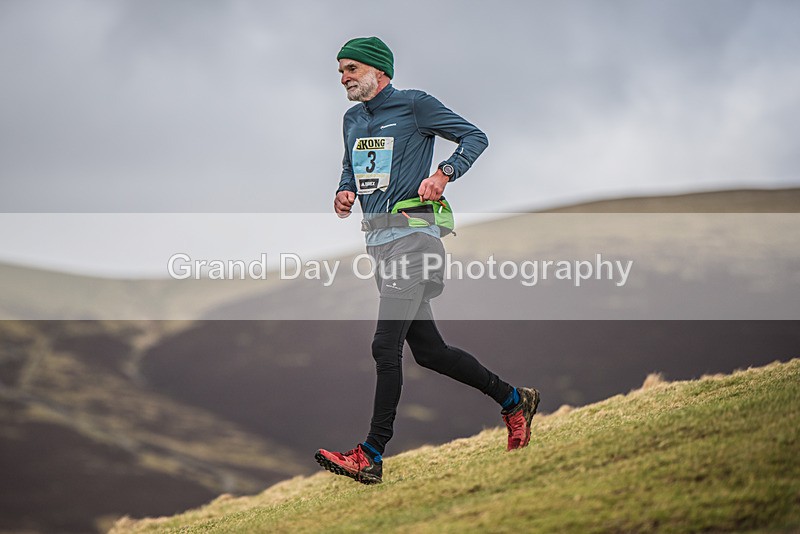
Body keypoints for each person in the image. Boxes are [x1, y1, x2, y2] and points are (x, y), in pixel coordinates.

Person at [315, 36, 540, 485]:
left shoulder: (415, 105)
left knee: (384, 346)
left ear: (380, 72)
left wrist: (444, 173)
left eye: (352, 69)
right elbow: (350, 165)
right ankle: (514, 399)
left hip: (414, 241)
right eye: (340, 71)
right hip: (379, 247)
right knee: (431, 352)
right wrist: (345, 191)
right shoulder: (352, 119)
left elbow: (475, 137)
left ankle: (371, 454)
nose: (344, 78)